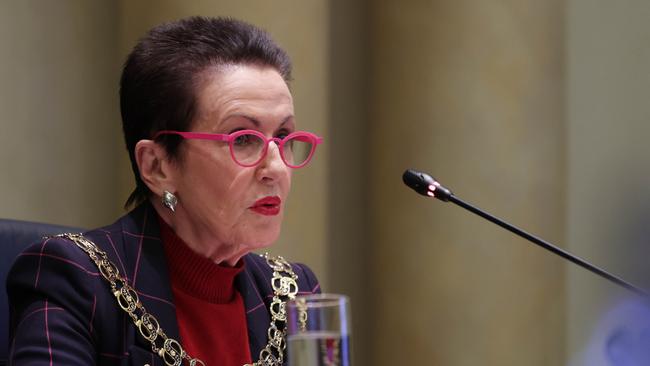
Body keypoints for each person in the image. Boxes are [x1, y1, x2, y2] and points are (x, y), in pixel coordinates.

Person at [7, 16, 322, 366]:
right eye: (243, 139)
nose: (276, 168)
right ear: (158, 166)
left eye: (282, 137)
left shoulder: (293, 293)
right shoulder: (77, 281)